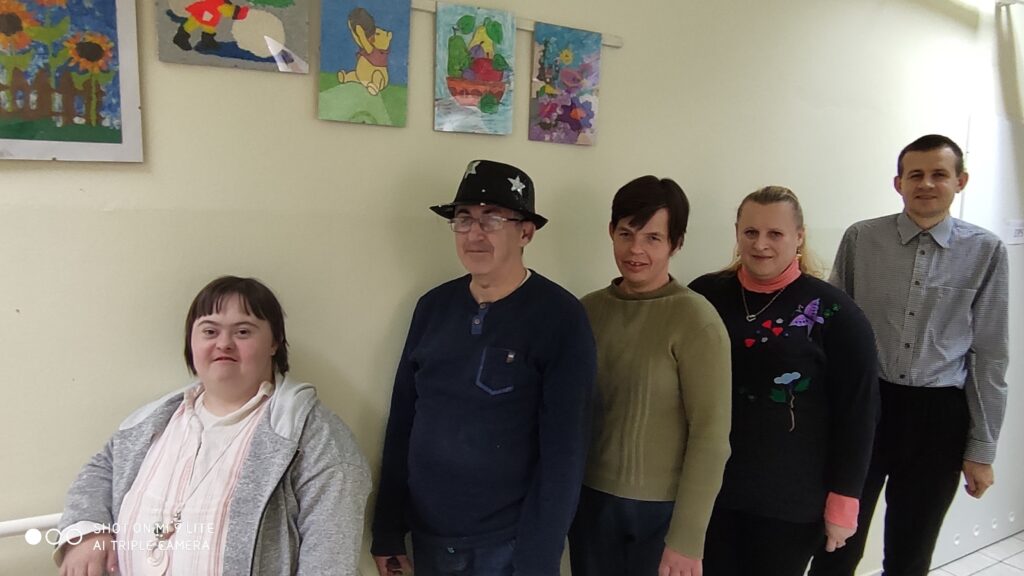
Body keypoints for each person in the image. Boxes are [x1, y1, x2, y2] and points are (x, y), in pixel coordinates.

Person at [55, 276, 372, 576]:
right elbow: (100, 473)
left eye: (243, 332)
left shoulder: (317, 438)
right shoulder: (152, 421)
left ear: (274, 342)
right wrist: (87, 532)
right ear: (191, 342)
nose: (224, 344)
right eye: (209, 331)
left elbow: (330, 561)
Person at [370, 159, 597, 576]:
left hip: (507, 545)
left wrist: (538, 559)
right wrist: (387, 529)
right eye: (463, 219)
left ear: (526, 232)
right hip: (428, 538)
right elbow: (403, 421)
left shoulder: (561, 317)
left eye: (492, 218)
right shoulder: (432, 307)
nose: (474, 233)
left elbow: (565, 453)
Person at [808, 134, 1010, 576]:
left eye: (939, 174)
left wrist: (982, 449)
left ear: (960, 181)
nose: (926, 184)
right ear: (898, 183)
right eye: (915, 174)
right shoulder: (862, 238)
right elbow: (832, 333)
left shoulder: (986, 251)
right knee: (835, 543)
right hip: (868, 408)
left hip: (938, 418)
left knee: (910, 556)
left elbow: (990, 355)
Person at [689, 186, 878, 576]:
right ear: (737, 233)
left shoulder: (836, 313)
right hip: (710, 493)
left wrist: (844, 502)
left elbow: (858, 414)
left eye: (775, 233)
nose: (760, 244)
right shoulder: (704, 296)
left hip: (790, 504)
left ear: (799, 237)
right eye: (750, 232)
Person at [569, 176, 732, 576]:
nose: (635, 250)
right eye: (626, 234)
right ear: (611, 231)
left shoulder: (696, 320)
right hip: (589, 501)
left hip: (660, 513)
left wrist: (687, 539)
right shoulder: (585, 312)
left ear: (676, 243)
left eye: (653, 238)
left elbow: (711, 437)